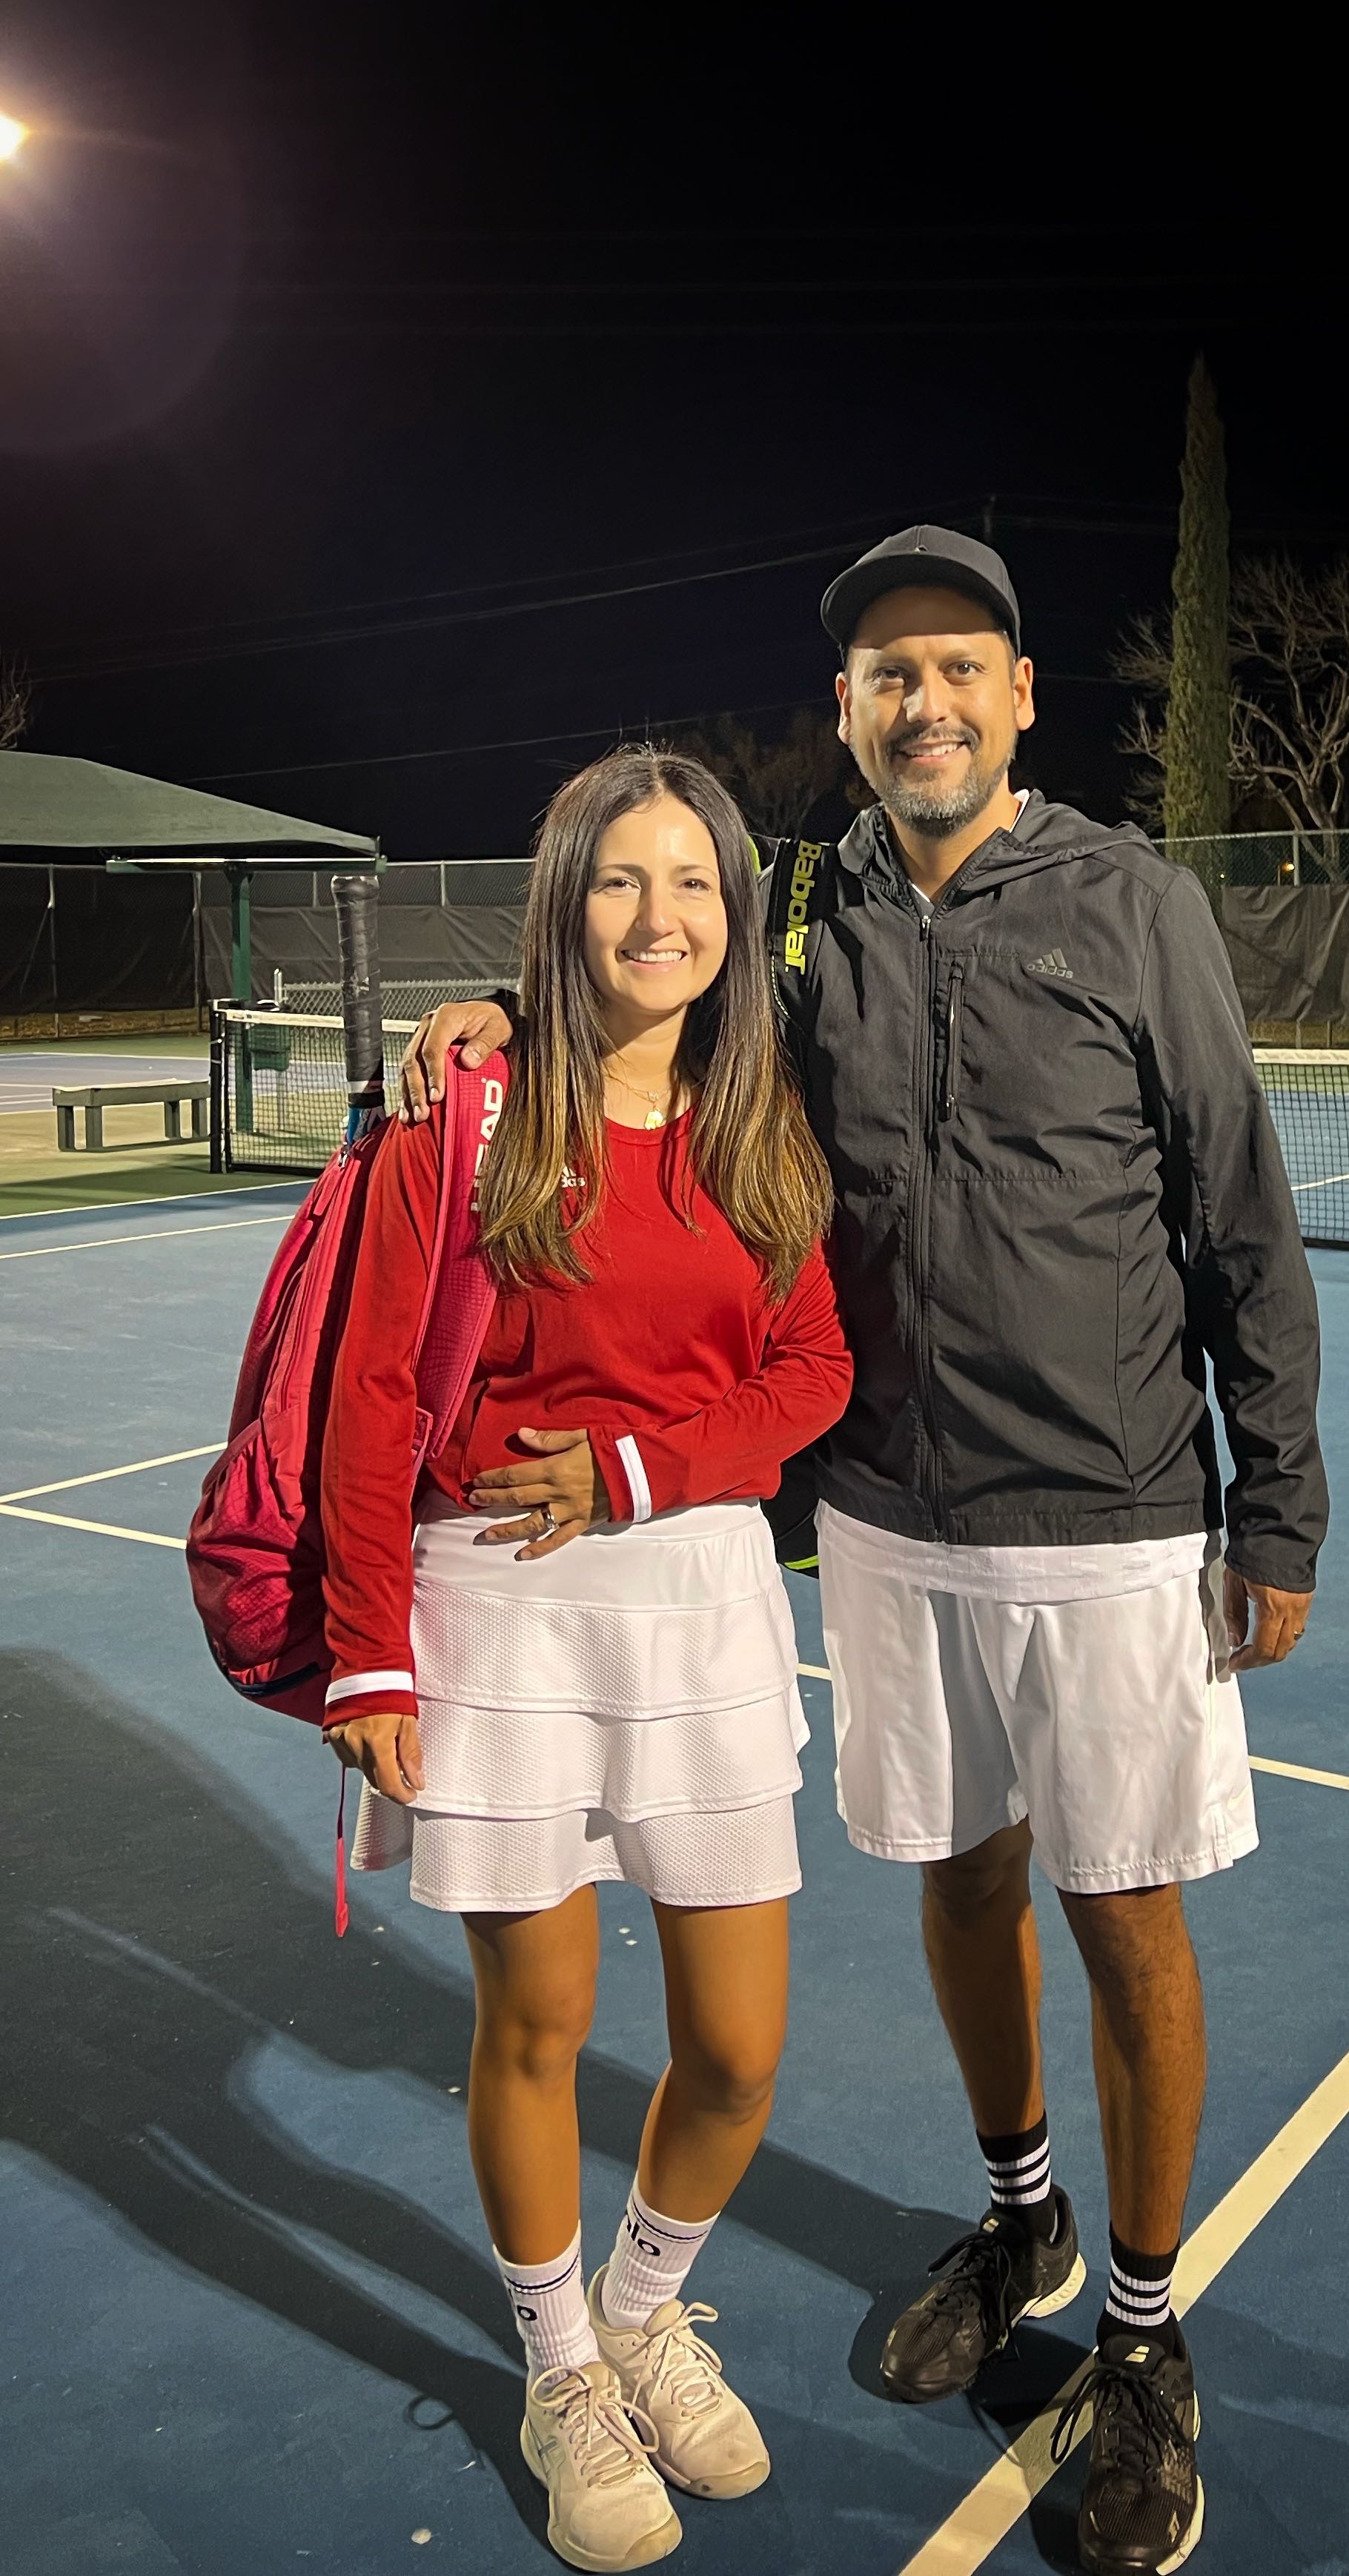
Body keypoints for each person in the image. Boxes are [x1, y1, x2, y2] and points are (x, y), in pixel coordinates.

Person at [404, 526, 1328, 2575]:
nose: (918, 701)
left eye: (956, 667)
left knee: (1126, 1921)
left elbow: (1235, 1206)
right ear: (845, 713)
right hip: (888, 1524)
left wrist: (1276, 1495)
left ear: (1015, 699)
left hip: (1112, 1518)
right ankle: (1018, 2217)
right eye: (881, 674)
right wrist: (497, 1002)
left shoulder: (1130, 900)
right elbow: (673, 1041)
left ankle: (1147, 2337)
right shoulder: (809, 928)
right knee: (960, 1880)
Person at [322, 748, 850, 2573]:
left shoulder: (761, 1127)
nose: (660, 916)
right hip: (496, 1610)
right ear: (565, 905)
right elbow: (373, 1399)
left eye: (694, 881)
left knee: (735, 2050)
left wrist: (646, 1466)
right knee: (536, 2021)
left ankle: (642, 2308)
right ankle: (561, 2367)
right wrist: (366, 1658)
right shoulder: (459, 1122)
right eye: (620, 881)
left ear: (736, 911)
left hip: (701, 1596)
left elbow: (812, 1372)